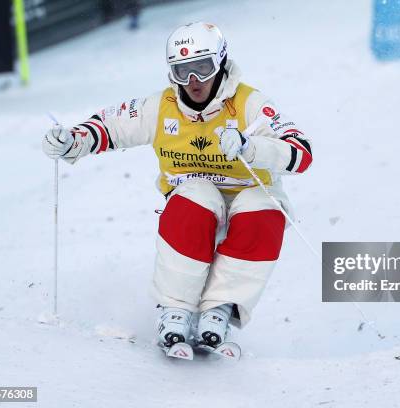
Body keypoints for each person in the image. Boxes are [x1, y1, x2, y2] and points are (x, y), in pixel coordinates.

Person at [42, 22, 313, 349]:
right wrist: (73, 140)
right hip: (195, 203)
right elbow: (111, 126)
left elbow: (301, 153)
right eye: (182, 71)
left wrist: (250, 147)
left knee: (264, 208)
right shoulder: (161, 107)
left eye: (202, 67)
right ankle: (175, 308)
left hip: (247, 198)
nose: (194, 81)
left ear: (221, 63)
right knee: (196, 195)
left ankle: (220, 308)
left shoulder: (250, 104)